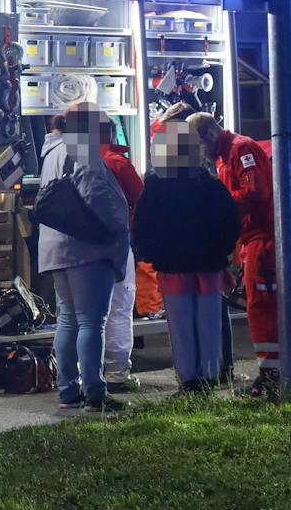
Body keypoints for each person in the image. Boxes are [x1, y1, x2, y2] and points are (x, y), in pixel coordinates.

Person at [132, 123, 242, 392]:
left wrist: (149, 254)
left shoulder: (156, 186)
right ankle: (210, 374)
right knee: (209, 324)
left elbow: (143, 225)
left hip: (173, 267)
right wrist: (223, 250)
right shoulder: (210, 184)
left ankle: (188, 380)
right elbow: (231, 221)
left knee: (180, 327)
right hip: (209, 266)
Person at [37, 103, 132, 412]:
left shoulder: (51, 151)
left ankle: (67, 390)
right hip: (86, 248)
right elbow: (95, 193)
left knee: (67, 319)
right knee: (92, 321)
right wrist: (119, 225)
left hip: (55, 247)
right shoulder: (80, 148)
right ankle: (94, 391)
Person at [187, 111, 278, 395]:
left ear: (210, 135)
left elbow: (254, 193)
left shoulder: (241, 149)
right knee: (258, 305)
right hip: (252, 240)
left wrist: (217, 204)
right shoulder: (226, 155)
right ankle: (271, 370)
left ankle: (273, 373)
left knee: (261, 306)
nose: (199, 153)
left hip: (263, 240)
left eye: (198, 146)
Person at [98, 118, 144, 390]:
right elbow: (138, 195)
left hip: (82, 246)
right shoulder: (117, 161)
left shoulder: (77, 159)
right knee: (119, 306)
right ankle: (116, 374)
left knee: (88, 312)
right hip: (115, 243)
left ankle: (89, 371)